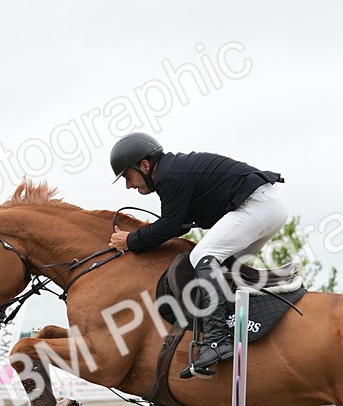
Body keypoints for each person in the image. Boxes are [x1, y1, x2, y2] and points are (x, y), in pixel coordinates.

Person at [108, 132, 288, 378]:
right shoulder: (171, 171)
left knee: (202, 255)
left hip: (259, 205)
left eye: (128, 176)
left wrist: (130, 240)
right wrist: (144, 234)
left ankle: (216, 341)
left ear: (145, 165)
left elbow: (168, 227)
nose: (129, 185)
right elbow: (177, 224)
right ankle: (237, 322)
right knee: (222, 266)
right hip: (268, 205)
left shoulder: (168, 177)